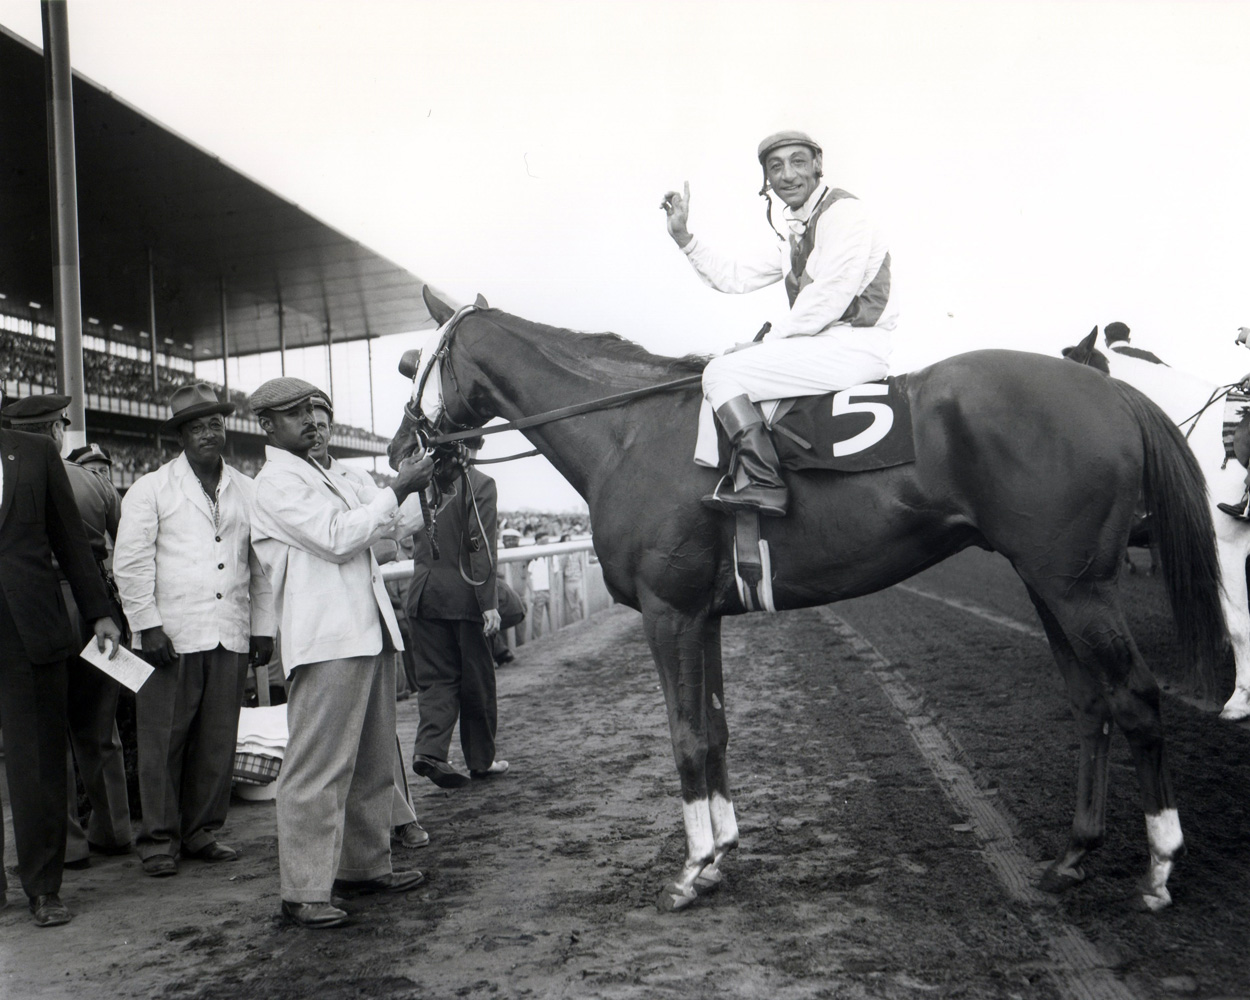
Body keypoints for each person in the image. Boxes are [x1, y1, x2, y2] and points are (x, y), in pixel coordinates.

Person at [249, 377, 435, 929]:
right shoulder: (274, 484)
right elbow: (338, 536)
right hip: (326, 637)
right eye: (294, 413)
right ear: (267, 426)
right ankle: (303, 891)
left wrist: (433, 477)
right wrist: (397, 489)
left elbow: (391, 528)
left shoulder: (330, 473)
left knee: (373, 762)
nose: (311, 419)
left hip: (367, 630)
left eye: (316, 409)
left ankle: (365, 866)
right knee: (317, 769)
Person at [660, 130, 897, 516]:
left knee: (720, 373)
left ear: (818, 165)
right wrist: (685, 238)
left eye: (798, 162)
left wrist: (767, 343)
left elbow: (826, 299)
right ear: (766, 181)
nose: (787, 175)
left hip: (855, 345)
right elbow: (734, 275)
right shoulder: (796, 233)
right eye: (776, 167)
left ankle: (764, 483)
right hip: (825, 344)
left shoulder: (845, 214)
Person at [112, 384, 276, 878]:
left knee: (217, 739)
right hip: (171, 637)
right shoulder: (151, 488)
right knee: (163, 740)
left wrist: (262, 629)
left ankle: (202, 830)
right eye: (197, 426)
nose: (208, 433)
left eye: (215, 424)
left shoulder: (247, 489)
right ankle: (159, 840)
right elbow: (131, 564)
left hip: (229, 632)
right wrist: (148, 626)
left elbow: (262, 566)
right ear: (181, 436)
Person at [0, 397, 122, 927]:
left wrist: (99, 613)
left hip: (31, 630)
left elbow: (71, 540)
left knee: (40, 765)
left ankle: (44, 890)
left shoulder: (34, 453)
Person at [307, 395, 429, 851]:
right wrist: (369, 530)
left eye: (322, 423)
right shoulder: (288, 482)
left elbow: (393, 532)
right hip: (326, 624)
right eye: (309, 423)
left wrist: (424, 484)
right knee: (333, 742)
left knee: (382, 734)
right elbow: (345, 540)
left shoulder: (354, 476)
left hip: (371, 614)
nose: (316, 430)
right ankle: (346, 840)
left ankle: (400, 818)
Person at [387, 427, 507, 788]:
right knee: (478, 683)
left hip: (423, 597)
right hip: (465, 598)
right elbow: (480, 544)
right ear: (469, 448)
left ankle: (430, 751)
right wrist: (489, 603)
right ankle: (481, 760)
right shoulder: (481, 484)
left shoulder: (422, 485)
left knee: (435, 681)